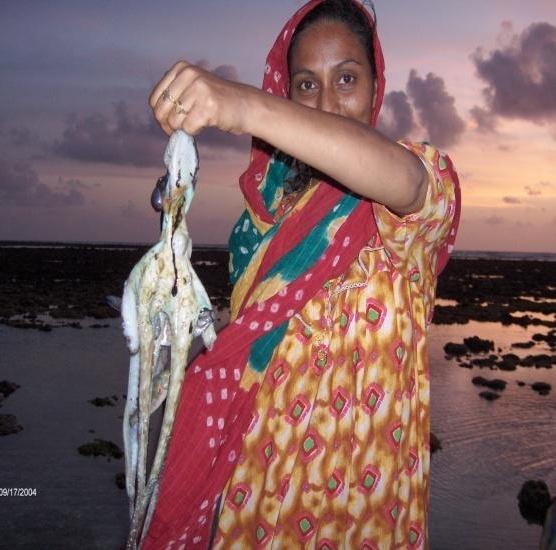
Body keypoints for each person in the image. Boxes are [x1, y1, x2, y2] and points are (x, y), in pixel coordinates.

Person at [142, 0, 460, 548]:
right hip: (260, 505)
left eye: (347, 79)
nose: (328, 102)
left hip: (364, 515)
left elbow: (406, 182)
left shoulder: (410, 197)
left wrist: (241, 106)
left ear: (376, 87)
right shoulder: (261, 224)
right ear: (287, 94)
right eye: (307, 85)